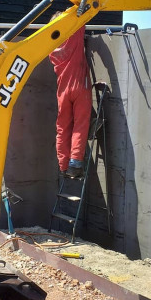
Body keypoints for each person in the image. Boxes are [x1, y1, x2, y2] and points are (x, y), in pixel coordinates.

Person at [48, 13, 92, 178]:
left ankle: (64, 165)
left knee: (63, 127)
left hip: (63, 90)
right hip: (80, 86)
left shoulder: (52, 47)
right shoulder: (75, 34)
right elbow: (82, 17)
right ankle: (75, 163)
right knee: (80, 125)